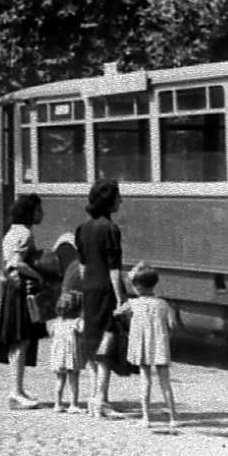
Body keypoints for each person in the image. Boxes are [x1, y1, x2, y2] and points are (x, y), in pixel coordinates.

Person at [74, 178, 127, 417]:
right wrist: (121, 299)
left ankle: (94, 398)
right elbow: (114, 269)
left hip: (89, 290)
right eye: (118, 196)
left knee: (92, 342)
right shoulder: (111, 229)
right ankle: (101, 399)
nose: (121, 200)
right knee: (106, 345)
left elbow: (83, 266)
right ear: (109, 201)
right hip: (106, 290)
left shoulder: (82, 229)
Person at [0, 192, 47, 410]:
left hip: (10, 288)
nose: (41, 214)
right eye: (38, 210)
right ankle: (16, 392)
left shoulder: (11, 232)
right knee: (21, 340)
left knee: (17, 342)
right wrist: (38, 276)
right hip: (20, 291)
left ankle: (17, 389)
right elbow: (17, 262)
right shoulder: (25, 233)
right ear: (30, 213)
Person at [116, 263, 177, 429]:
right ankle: (173, 417)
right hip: (160, 347)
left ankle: (146, 418)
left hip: (143, 348)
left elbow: (117, 313)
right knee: (165, 382)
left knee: (145, 381)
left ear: (136, 286)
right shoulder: (164, 304)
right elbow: (172, 324)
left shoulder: (133, 304)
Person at [47, 290, 84, 413]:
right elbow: (84, 331)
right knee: (74, 381)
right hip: (72, 356)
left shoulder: (55, 323)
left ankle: (57, 404)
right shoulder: (77, 322)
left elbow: (51, 335)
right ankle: (73, 405)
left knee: (59, 380)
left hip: (58, 356)